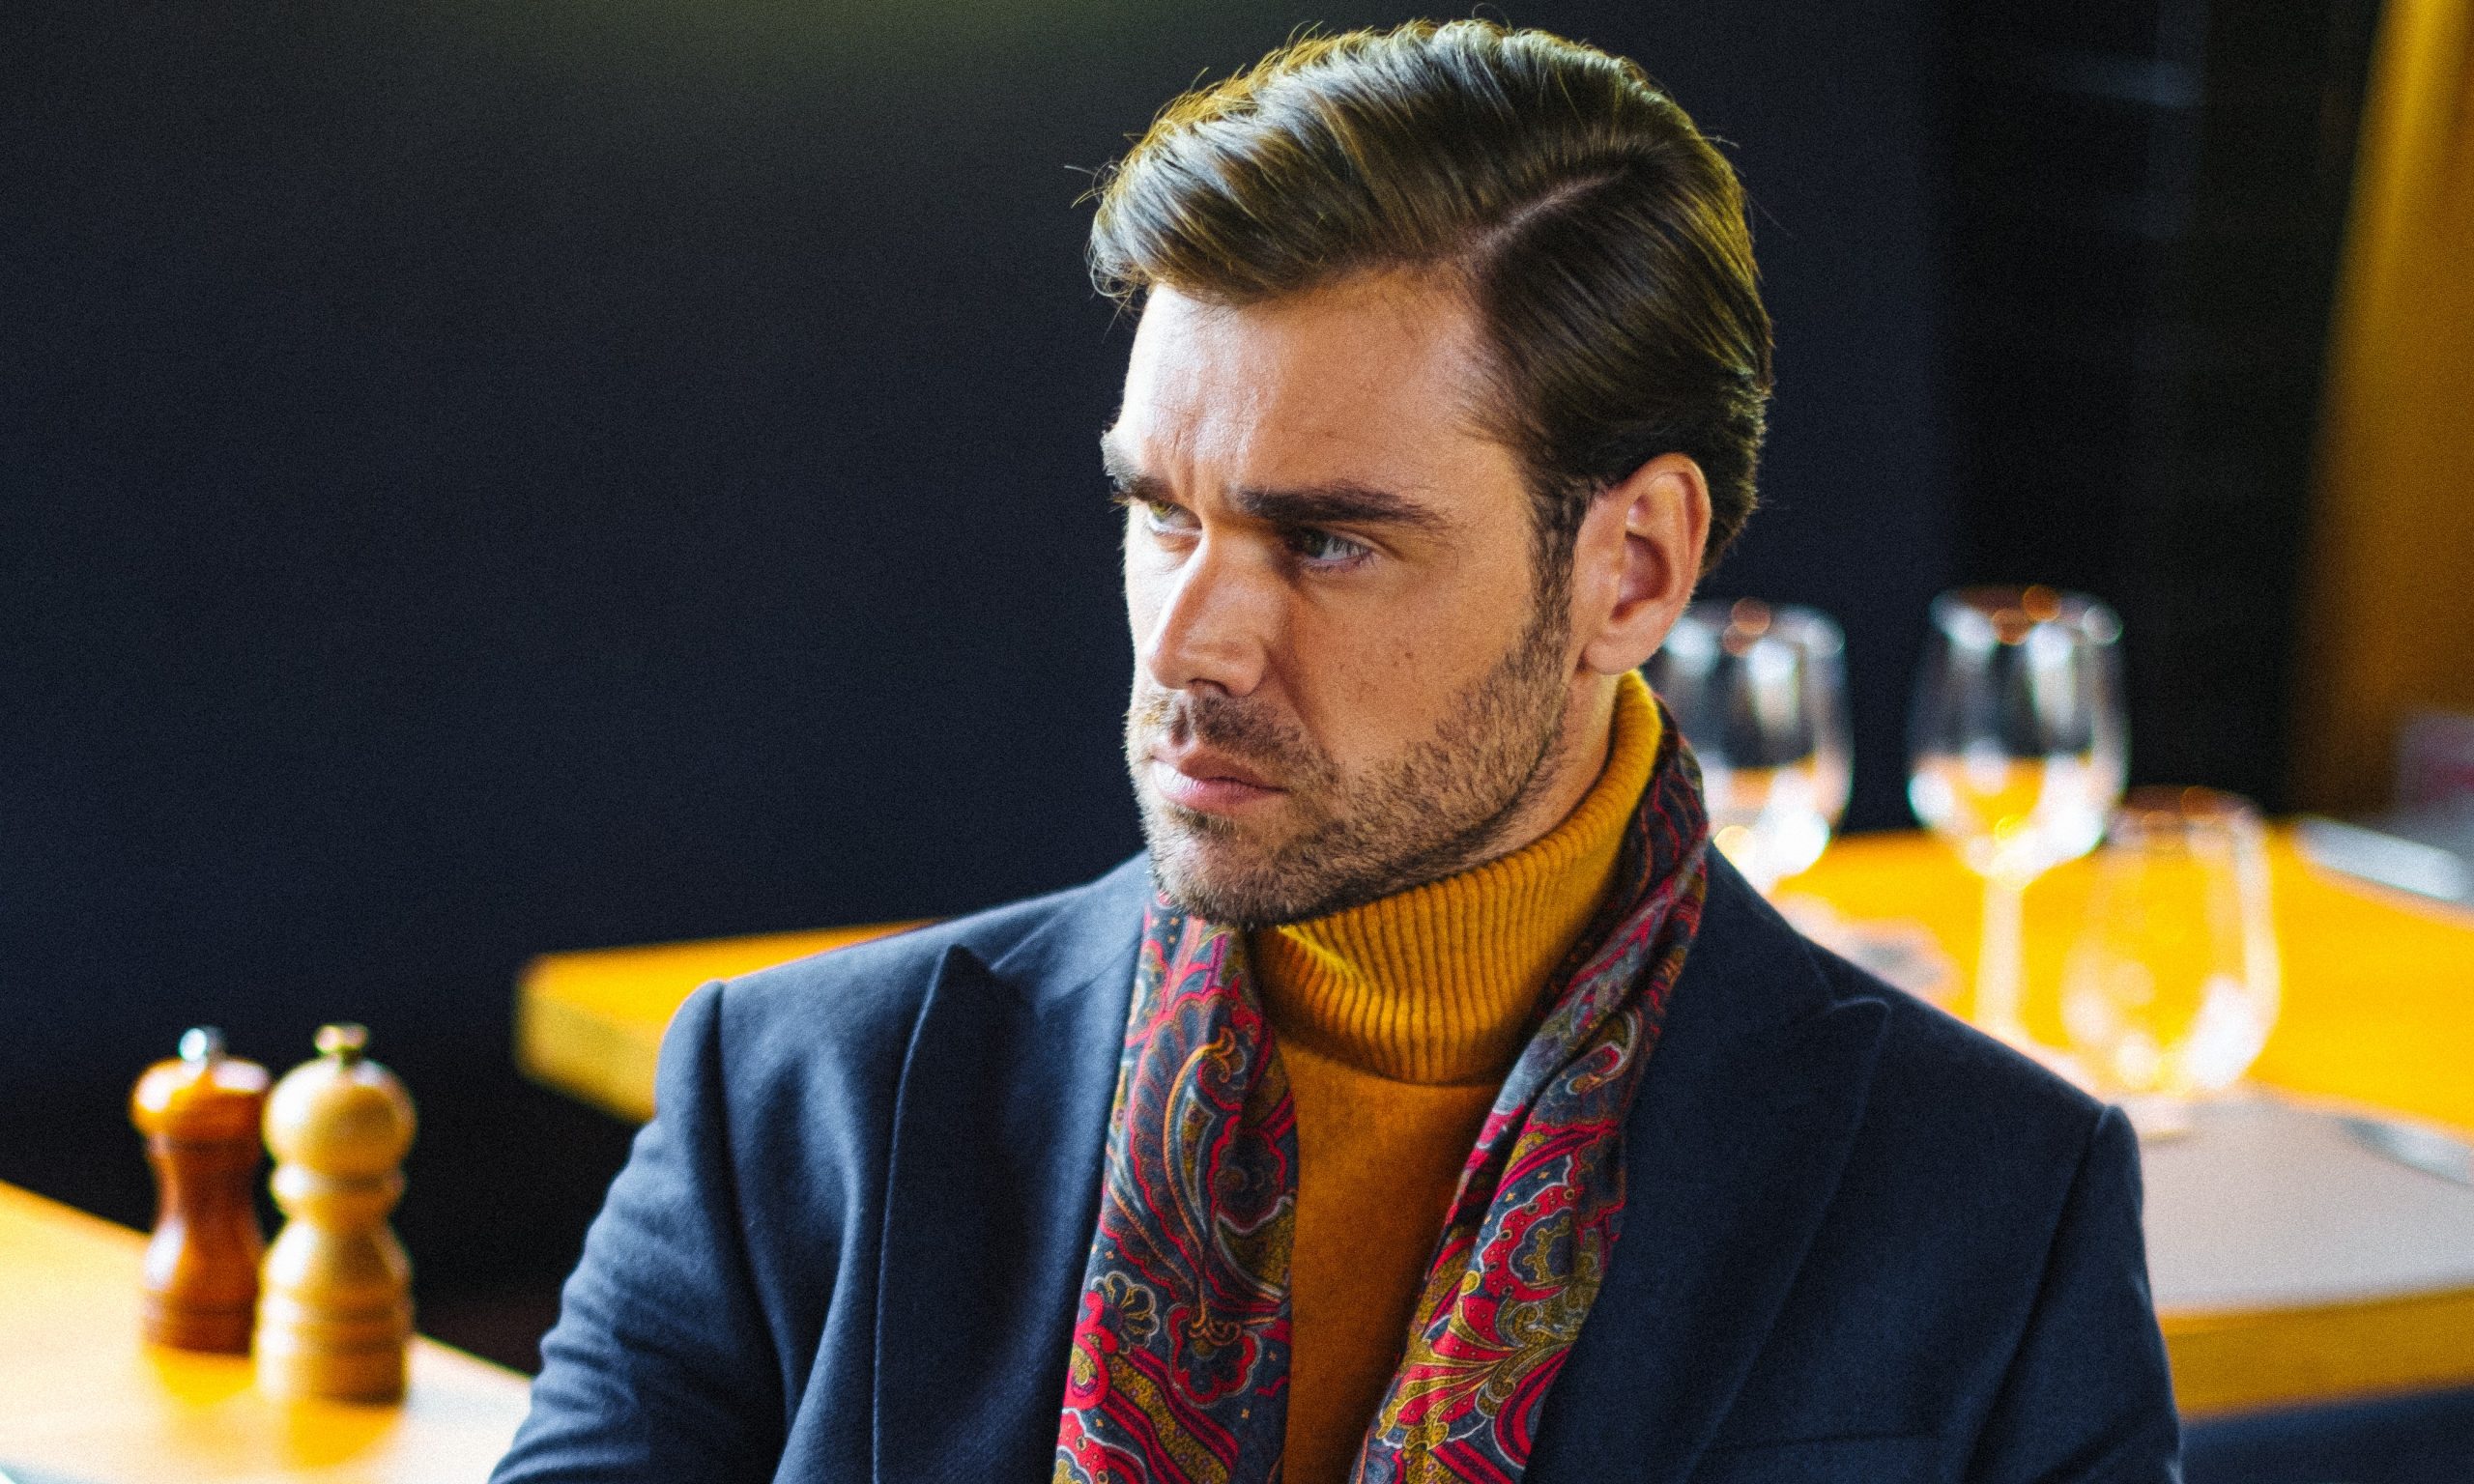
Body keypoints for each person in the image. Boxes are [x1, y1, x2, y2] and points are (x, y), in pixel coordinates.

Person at [494, 20, 2179, 1484]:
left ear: (1633, 569)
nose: (1189, 643)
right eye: (1162, 515)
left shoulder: (1991, 1211)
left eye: (1326, 541)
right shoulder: (798, 1106)